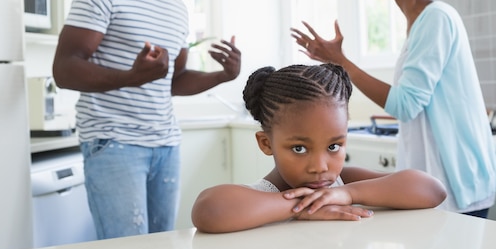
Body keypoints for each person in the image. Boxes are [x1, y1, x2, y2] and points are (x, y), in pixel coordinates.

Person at [52, 0, 241, 239]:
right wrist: (129, 77)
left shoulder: (178, 8)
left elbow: (173, 81)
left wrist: (221, 76)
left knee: (159, 248)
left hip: (165, 145)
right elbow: (65, 69)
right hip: (114, 142)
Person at [290, 0, 496, 218]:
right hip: (437, 180)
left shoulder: (436, 18)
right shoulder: (423, 24)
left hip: (455, 180)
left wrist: (341, 61)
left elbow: (405, 104)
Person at [191, 64, 446, 233]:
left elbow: (432, 189)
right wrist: (304, 206)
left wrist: (348, 194)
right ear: (266, 143)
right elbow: (208, 210)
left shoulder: (343, 184)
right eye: (300, 148)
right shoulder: (263, 196)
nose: (320, 167)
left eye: (334, 146)